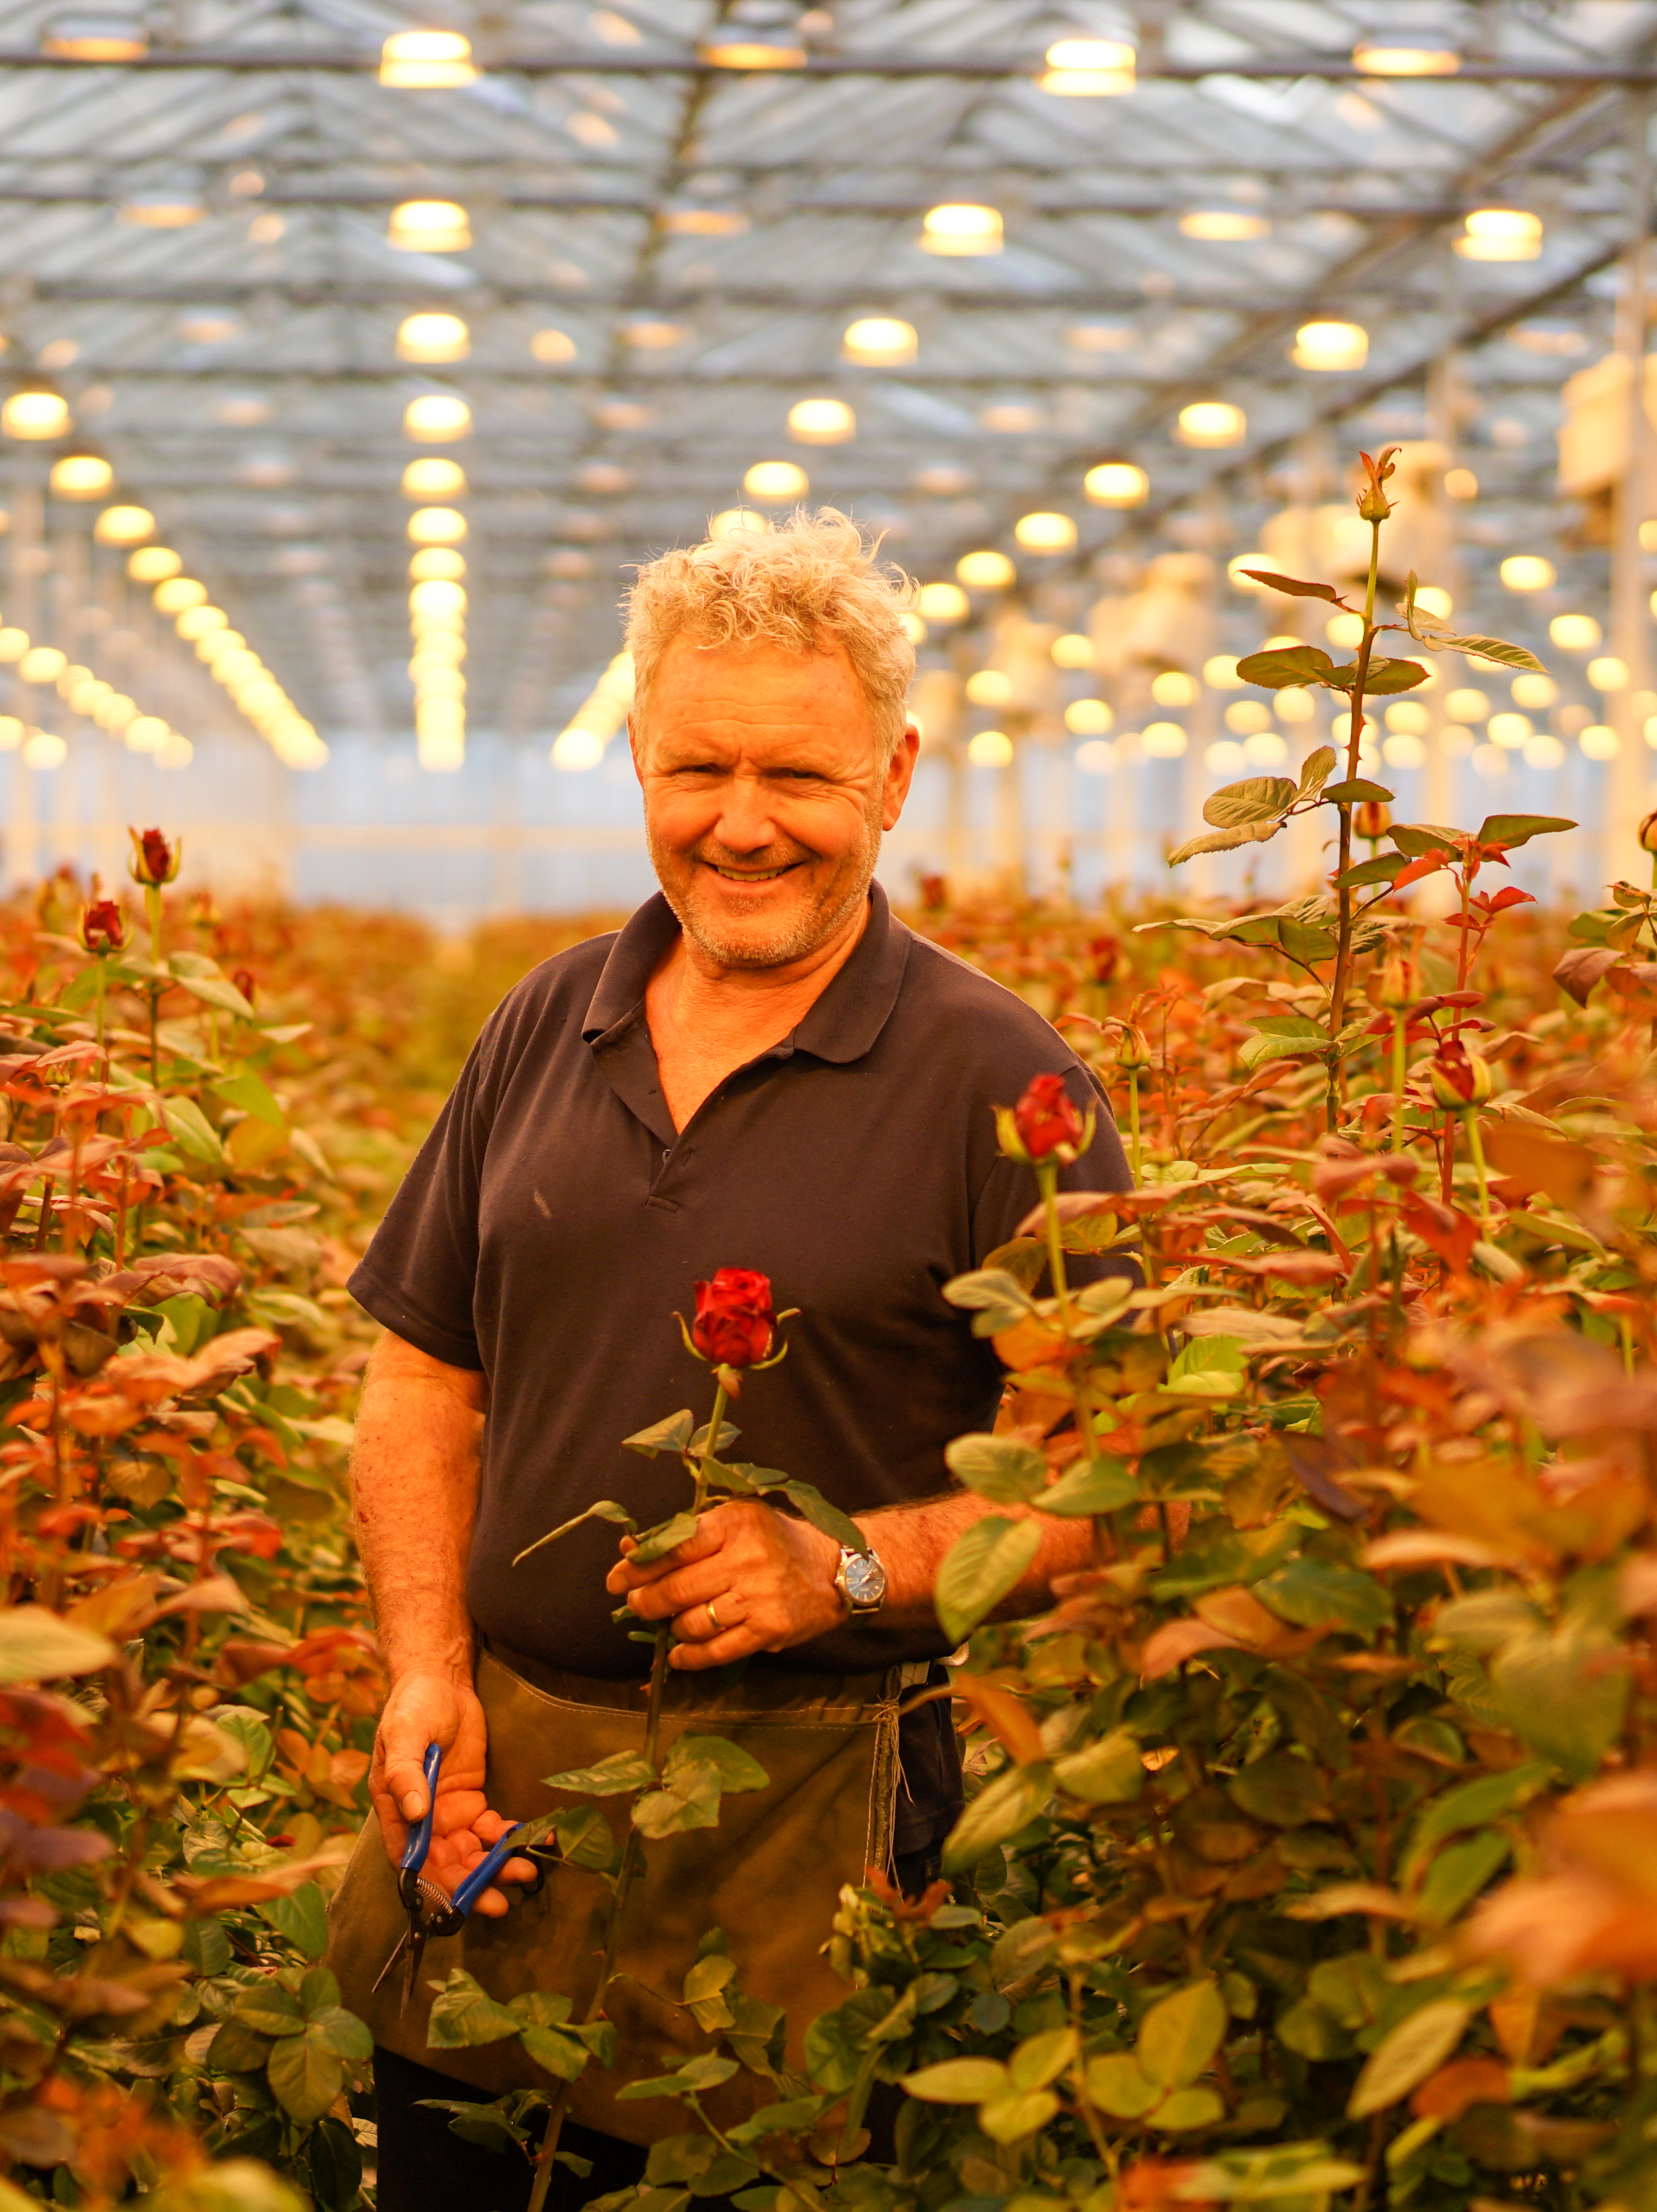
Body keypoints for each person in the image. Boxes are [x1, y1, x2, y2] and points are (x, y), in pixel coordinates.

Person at [323, 508, 1132, 2211]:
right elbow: (422, 1386)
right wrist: (426, 1673)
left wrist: (844, 1568)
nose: (742, 826)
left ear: (896, 777)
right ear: (634, 757)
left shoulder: (1007, 1089)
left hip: (807, 1832)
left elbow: (1097, 1495)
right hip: (499, 1814)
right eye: (696, 768)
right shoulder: (548, 1020)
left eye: (803, 780)